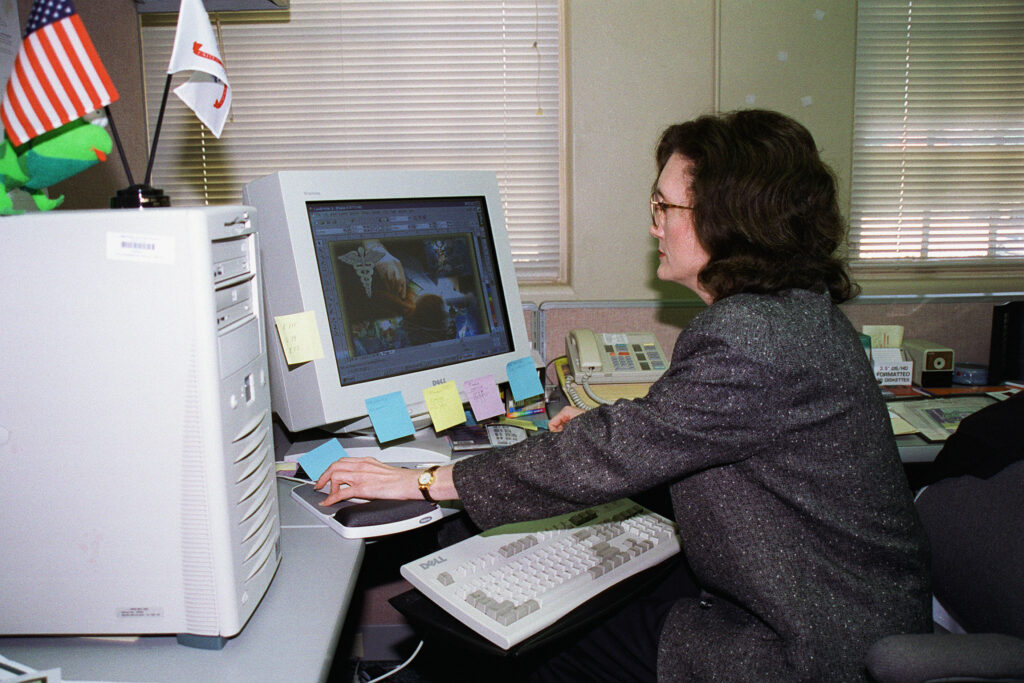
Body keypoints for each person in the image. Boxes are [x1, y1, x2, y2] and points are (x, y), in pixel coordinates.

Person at [316, 109, 932, 681]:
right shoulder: (799, 315)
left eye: (665, 207)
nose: (653, 224)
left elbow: (621, 450)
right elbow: (669, 427)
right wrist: (596, 435)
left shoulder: (751, 336)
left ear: (728, 220)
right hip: (834, 601)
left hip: (809, 646)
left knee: (517, 645)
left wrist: (421, 482)